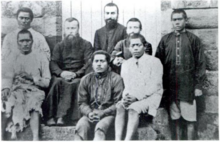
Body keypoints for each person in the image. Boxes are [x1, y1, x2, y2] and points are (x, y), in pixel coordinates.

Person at [155, 9, 206, 140]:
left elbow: (200, 63)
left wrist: (198, 86)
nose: (177, 22)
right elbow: (157, 63)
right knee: (175, 120)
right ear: (171, 21)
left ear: (186, 20)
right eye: (174, 19)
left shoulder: (193, 40)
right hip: (171, 87)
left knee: (190, 120)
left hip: (188, 87)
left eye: (180, 19)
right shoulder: (165, 40)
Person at [2, 29, 51, 140]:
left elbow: (47, 81)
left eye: (27, 41)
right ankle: (7, 134)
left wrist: (32, 78)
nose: (25, 44)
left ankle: (35, 137)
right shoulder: (11, 58)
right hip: (16, 89)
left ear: (32, 41)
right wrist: (5, 88)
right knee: (9, 101)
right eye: (22, 41)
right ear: (17, 42)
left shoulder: (41, 57)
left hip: (34, 89)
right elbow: (7, 77)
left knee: (34, 102)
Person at [44, 17, 93, 126]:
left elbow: (89, 63)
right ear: (64, 30)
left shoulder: (86, 44)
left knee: (76, 83)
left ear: (78, 29)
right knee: (56, 82)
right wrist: (61, 73)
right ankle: (51, 115)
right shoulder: (59, 45)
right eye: (68, 28)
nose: (71, 31)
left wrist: (77, 74)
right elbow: (53, 62)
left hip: (79, 74)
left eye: (73, 28)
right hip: (63, 74)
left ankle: (64, 117)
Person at [115, 33, 163, 140]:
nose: (136, 48)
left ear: (144, 46)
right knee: (120, 106)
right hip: (132, 96)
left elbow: (155, 85)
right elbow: (127, 85)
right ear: (129, 48)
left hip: (151, 96)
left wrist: (136, 97)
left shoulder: (154, 62)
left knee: (133, 108)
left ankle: (128, 139)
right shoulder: (126, 64)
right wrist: (126, 97)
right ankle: (117, 139)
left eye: (138, 45)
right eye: (133, 46)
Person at [74, 50, 124, 141]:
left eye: (102, 61)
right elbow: (82, 102)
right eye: (96, 61)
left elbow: (119, 103)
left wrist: (104, 112)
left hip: (109, 115)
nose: (99, 64)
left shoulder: (116, 79)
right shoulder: (85, 79)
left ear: (108, 64)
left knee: (100, 129)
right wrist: (89, 113)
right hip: (91, 114)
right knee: (80, 127)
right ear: (92, 64)